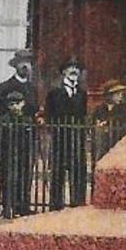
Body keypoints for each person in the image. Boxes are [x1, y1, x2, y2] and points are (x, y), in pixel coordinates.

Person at [46, 58, 89, 210]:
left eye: (77, 68)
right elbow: (48, 115)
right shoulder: (54, 92)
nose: (74, 71)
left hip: (77, 138)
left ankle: (77, 203)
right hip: (60, 136)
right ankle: (56, 204)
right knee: (58, 171)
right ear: (63, 72)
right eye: (70, 68)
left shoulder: (82, 93)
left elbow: (83, 115)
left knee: (77, 169)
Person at [0, 84, 35, 218]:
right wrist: (0, 156)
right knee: (7, 180)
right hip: (8, 155)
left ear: (23, 103)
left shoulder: (27, 120)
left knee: (23, 180)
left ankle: (22, 206)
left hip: (24, 155)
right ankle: (7, 206)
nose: (15, 107)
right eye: (12, 104)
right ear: (7, 106)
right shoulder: (3, 120)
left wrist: (31, 155)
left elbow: (32, 140)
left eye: (18, 103)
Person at [91, 79, 126, 164]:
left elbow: (122, 119)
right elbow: (94, 122)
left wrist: (107, 123)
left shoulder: (123, 108)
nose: (120, 97)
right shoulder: (100, 109)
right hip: (102, 141)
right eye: (117, 94)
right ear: (109, 96)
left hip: (116, 140)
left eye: (121, 94)